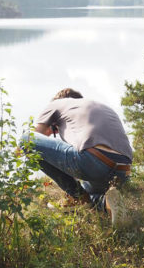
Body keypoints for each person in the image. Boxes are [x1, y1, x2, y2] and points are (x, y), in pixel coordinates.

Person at [23, 88, 133, 227]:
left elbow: (34, 139)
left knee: (26, 139)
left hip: (94, 162)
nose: (55, 132)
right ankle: (106, 204)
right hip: (123, 171)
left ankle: (77, 197)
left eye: (55, 129)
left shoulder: (56, 104)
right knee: (89, 195)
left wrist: (48, 128)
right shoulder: (101, 108)